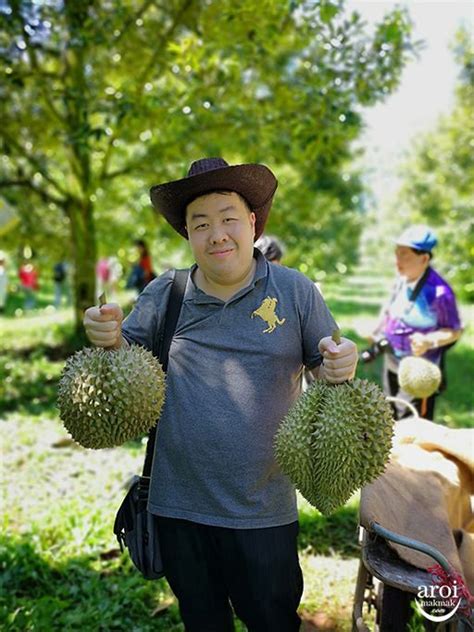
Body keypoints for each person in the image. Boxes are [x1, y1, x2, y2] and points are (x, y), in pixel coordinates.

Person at [83, 157, 358, 632]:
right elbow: (129, 361)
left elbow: (328, 371)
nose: (218, 234)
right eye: (201, 223)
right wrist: (109, 338)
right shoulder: (165, 293)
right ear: (188, 234)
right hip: (178, 506)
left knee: (270, 620)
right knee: (202, 620)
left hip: (262, 509)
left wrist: (340, 364)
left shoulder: (295, 292)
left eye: (229, 218)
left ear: (252, 222)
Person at [370, 225, 462, 421]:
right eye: (397, 254)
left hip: (419, 369)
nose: (398, 261)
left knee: (412, 421)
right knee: (390, 412)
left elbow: (453, 331)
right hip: (392, 359)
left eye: (405, 255)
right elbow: (389, 307)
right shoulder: (401, 280)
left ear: (424, 258)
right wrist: (377, 329)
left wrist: (429, 341)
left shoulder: (440, 293)